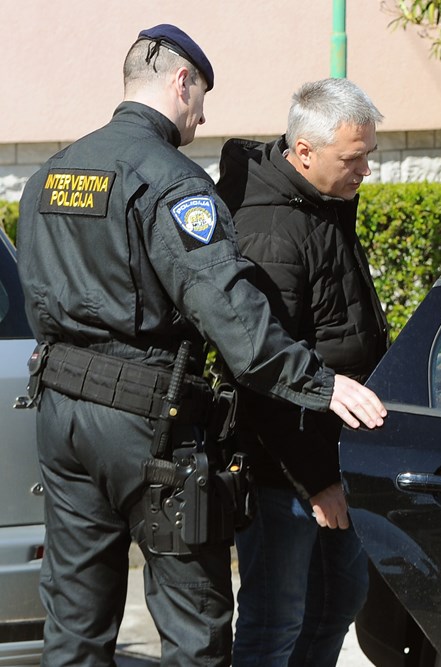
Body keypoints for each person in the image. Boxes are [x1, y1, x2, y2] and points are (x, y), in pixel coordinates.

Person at [15, 26, 385, 666]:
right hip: (147, 427)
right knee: (196, 628)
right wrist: (321, 384)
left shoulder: (50, 175)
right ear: (182, 82)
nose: (203, 117)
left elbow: (38, 298)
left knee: (74, 623)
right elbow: (233, 316)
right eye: (202, 98)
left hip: (61, 415)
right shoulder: (171, 181)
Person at [216, 78, 388, 665]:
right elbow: (260, 368)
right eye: (354, 157)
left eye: (368, 154)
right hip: (285, 473)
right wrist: (316, 481)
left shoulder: (323, 204)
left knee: (338, 599)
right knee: (276, 621)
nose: (366, 169)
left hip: (335, 456)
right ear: (305, 151)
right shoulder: (269, 230)